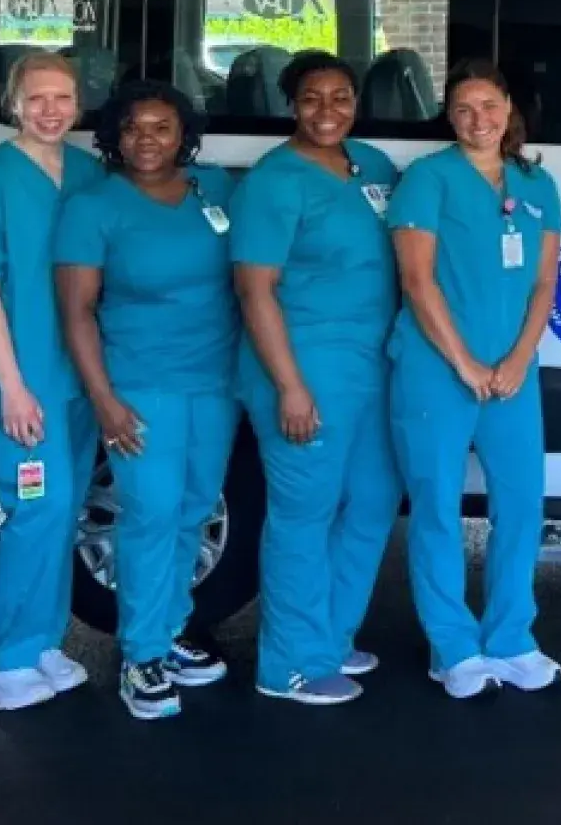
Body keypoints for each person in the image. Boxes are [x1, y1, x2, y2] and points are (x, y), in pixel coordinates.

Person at [54, 80, 237, 721]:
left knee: (192, 507)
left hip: (215, 381)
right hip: (138, 383)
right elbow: (76, 312)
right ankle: (140, 656)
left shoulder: (215, 191)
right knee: (151, 513)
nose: (147, 140)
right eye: (133, 128)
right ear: (114, 136)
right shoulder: (94, 207)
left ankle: (174, 628)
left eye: (162, 127)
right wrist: (103, 398)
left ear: (184, 133)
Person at [388, 59, 561, 700]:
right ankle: (453, 647)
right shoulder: (427, 180)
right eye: (463, 109)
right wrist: (464, 362)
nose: (477, 120)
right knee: (437, 508)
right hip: (438, 370)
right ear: (450, 117)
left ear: (508, 107)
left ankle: (512, 637)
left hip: (513, 374)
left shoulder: (535, 183)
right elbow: (417, 280)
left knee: (521, 505)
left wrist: (518, 358)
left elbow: (546, 281)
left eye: (488, 106)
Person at [229, 49, 402, 706]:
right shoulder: (275, 181)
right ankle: (289, 664)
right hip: (302, 366)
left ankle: (329, 636)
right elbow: (254, 290)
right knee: (305, 511)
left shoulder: (374, 168)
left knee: (372, 500)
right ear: (290, 105)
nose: (326, 111)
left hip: (373, 366)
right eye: (311, 98)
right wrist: (290, 386)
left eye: (340, 97)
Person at [0, 50, 106, 712]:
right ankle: (3, 657)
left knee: (63, 512)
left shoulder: (88, 171)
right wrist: (13, 387)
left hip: (74, 378)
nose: (50, 111)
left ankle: (41, 640)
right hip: (20, 380)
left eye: (62, 99)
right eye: (37, 99)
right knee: (35, 509)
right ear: (13, 104)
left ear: (78, 104)